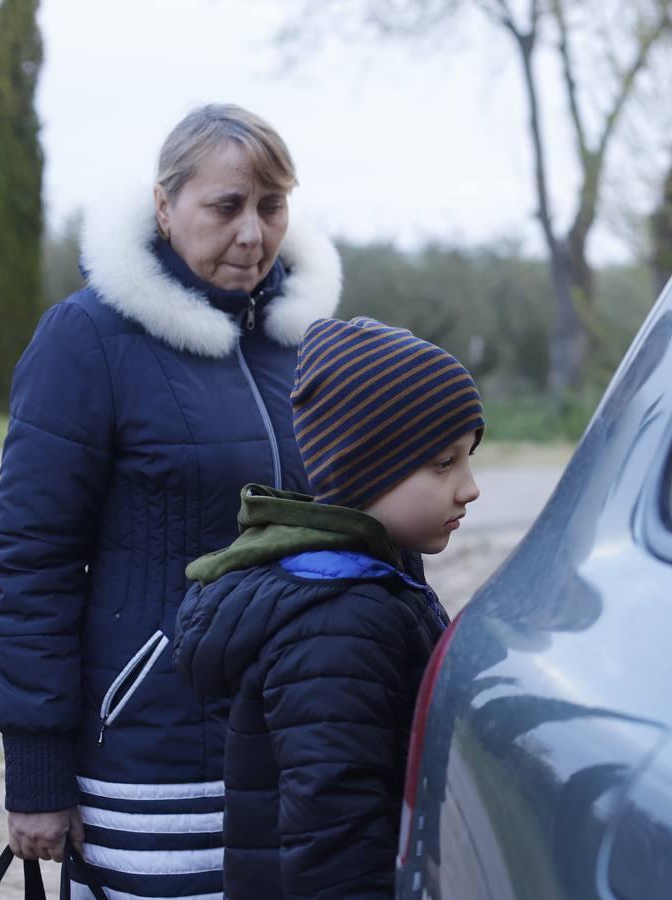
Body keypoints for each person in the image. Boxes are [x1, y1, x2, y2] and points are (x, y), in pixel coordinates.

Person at [0, 104, 341, 898]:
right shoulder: (88, 339)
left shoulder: (310, 343)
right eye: (226, 207)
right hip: (149, 758)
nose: (252, 234)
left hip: (298, 748)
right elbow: (31, 562)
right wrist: (37, 771)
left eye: (271, 206)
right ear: (163, 205)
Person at [174, 317, 482, 899]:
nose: (469, 487)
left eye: (468, 458)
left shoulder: (372, 582)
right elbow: (336, 836)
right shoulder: (339, 622)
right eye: (443, 464)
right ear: (366, 470)